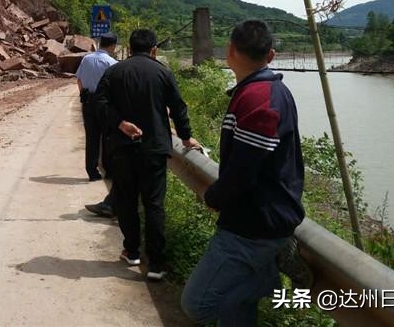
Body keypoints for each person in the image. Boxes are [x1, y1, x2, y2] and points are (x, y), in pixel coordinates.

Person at [181, 20, 305, 326]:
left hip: (251, 227)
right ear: (272, 55)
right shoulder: (270, 90)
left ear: (230, 51)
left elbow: (243, 172)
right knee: (236, 316)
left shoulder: (258, 98)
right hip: (265, 218)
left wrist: (213, 197)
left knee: (197, 304)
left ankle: (268, 286)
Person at [95, 28, 200, 281]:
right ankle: (156, 264)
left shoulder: (114, 71)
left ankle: (131, 251)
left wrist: (120, 123)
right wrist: (186, 137)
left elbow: (99, 103)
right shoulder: (163, 73)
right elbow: (178, 108)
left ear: (129, 49)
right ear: (154, 50)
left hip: (121, 148)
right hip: (153, 149)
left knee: (127, 201)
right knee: (154, 205)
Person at [75, 31, 119, 182]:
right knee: (108, 137)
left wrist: (84, 95)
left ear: (100, 43)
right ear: (113, 46)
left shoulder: (86, 59)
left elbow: (79, 79)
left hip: (87, 102)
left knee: (92, 137)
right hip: (105, 103)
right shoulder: (112, 63)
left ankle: (92, 172)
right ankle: (109, 170)